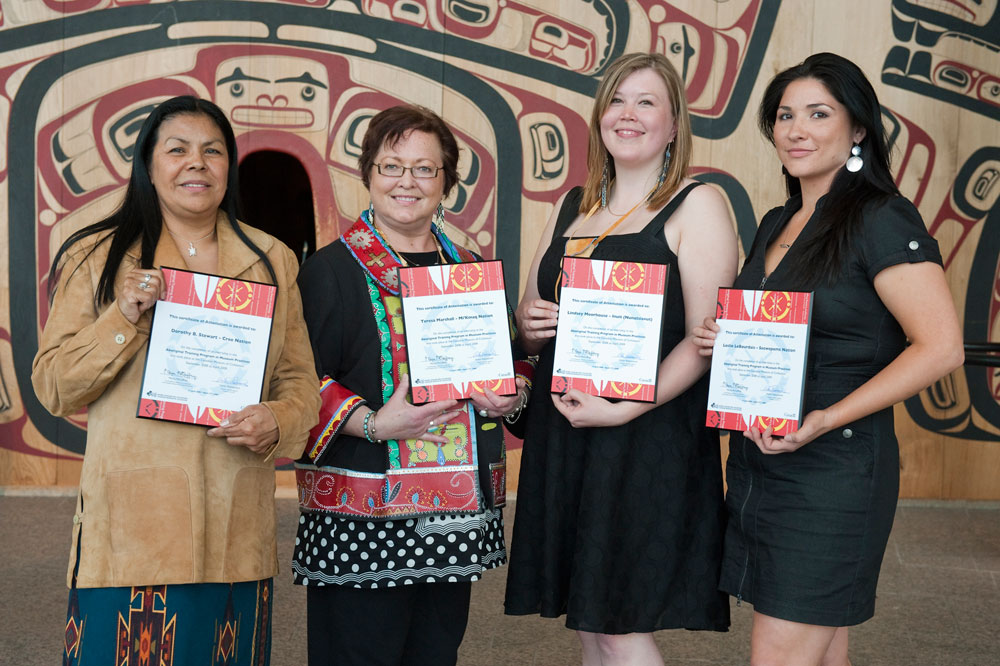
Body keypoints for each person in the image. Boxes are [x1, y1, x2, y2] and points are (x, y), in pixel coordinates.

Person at [692, 53, 965, 666]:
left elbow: (941, 346)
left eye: (819, 114)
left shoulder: (881, 218)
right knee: (822, 651)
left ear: (858, 128)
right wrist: (727, 337)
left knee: (782, 653)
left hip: (833, 470)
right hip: (762, 462)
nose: (796, 130)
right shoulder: (777, 221)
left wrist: (824, 417)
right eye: (785, 116)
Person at [32, 96, 320, 665]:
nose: (197, 163)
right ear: (148, 163)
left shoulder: (271, 259)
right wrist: (122, 317)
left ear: (229, 167)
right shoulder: (99, 255)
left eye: (213, 151)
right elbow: (54, 384)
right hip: (135, 529)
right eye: (178, 149)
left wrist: (277, 420)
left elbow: (300, 384)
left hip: (236, 530)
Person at [504, 52, 738, 665]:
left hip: (646, 436)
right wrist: (527, 326)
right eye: (616, 100)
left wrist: (623, 409)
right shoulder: (572, 204)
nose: (626, 115)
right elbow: (533, 318)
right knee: (589, 622)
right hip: (569, 428)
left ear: (673, 123)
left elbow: (704, 340)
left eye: (646, 102)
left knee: (619, 624)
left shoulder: (698, 204)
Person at [292, 104, 534, 666]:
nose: (407, 181)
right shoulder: (329, 271)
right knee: (358, 652)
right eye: (391, 166)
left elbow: (515, 362)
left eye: (425, 169)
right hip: (361, 511)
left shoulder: (471, 270)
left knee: (434, 651)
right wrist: (374, 422)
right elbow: (297, 378)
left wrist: (512, 394)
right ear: (368, 174)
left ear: (447, 181)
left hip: (454, 512)